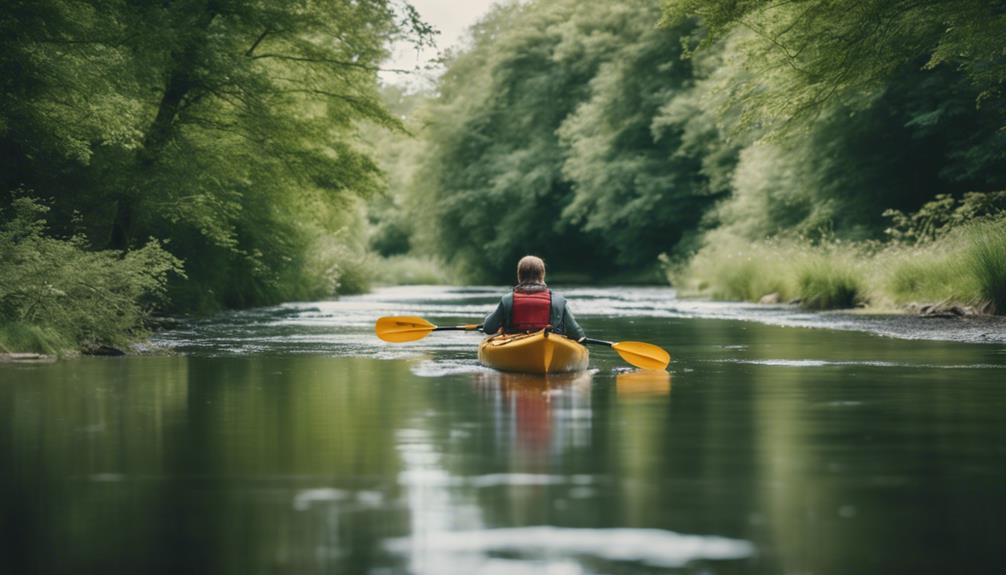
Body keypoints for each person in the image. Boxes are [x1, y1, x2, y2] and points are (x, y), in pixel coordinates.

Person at [482, 255, 585, 340]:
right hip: (549, 340)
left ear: (519, 276)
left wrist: (488, 317)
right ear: (542, 275)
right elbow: (576, 334)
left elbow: (488, 328)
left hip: (515, 341)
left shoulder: (508, 300)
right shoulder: (558, 300)